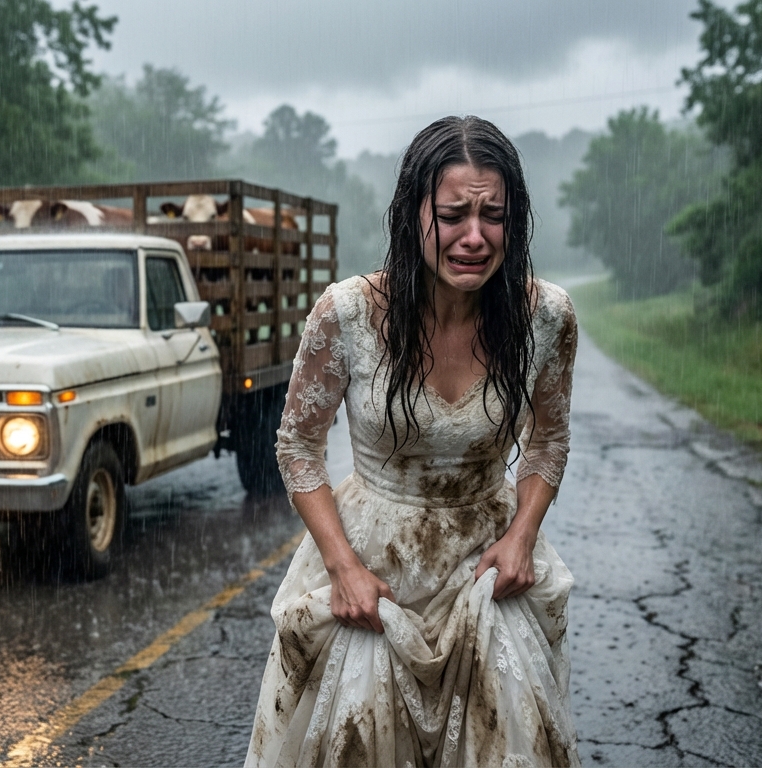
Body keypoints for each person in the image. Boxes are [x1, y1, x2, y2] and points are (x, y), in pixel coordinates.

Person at [245, 115, 580, 767]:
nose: (475, 238)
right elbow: (297, 447)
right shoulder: (346, 313)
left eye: (495, 217)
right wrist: (343, 569)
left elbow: (548, 441)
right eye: (453, 215)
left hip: (487, 560)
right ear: (412, 214)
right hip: (371, 564)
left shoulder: (547, 317)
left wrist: (522, 538)